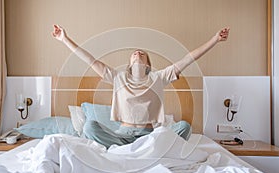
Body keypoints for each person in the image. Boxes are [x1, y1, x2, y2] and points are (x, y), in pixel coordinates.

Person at [52, 25, 230, 148]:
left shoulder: (159, 77)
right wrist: (64, 39)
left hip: (150, 137)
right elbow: (90, 60)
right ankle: (138, 152)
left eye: (142, 54)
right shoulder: (117, 77)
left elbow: (188, 59)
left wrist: (215, 39)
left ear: (148, 64)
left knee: (184, 127)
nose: (138, 53)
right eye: (134, 53)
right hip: (121, 136)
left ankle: (146, 150)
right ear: (129, 63)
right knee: (89, 127)